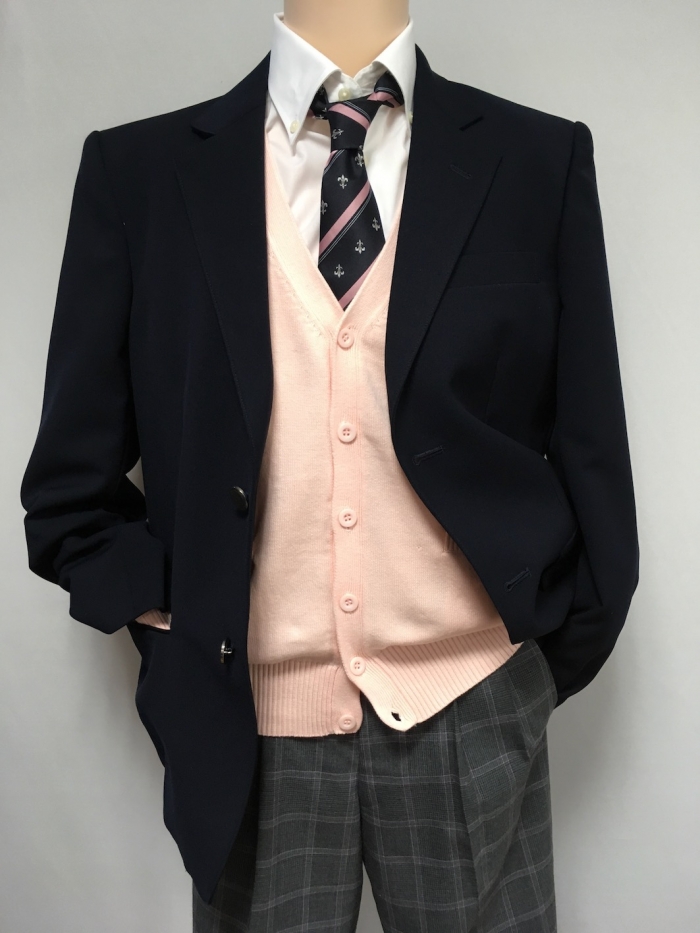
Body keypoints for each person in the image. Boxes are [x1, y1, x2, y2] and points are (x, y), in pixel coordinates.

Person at [20, 3, 639, 930]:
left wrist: (528, 681)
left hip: (472, 704)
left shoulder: (535, 162)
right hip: (250, 734)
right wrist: (186, 617)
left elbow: (592, 449)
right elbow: (68, 494)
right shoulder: (139, 175)